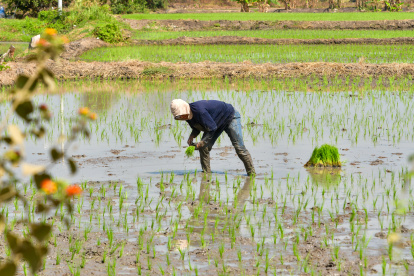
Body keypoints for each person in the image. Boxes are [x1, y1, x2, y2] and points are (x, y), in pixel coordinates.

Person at [170, 99, 255, 176]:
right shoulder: (188, 116)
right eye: (178, 117)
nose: (180, 118)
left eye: (180, 115)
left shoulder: (200, 111)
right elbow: (197, 128)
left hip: (230, 116)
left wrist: (202, 143)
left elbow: (212, 128)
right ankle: (206, 174)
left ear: (184, 110)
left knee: (239, 148)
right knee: (204, 148)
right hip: (215, 123)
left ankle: (252, 174)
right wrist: (191, 136)